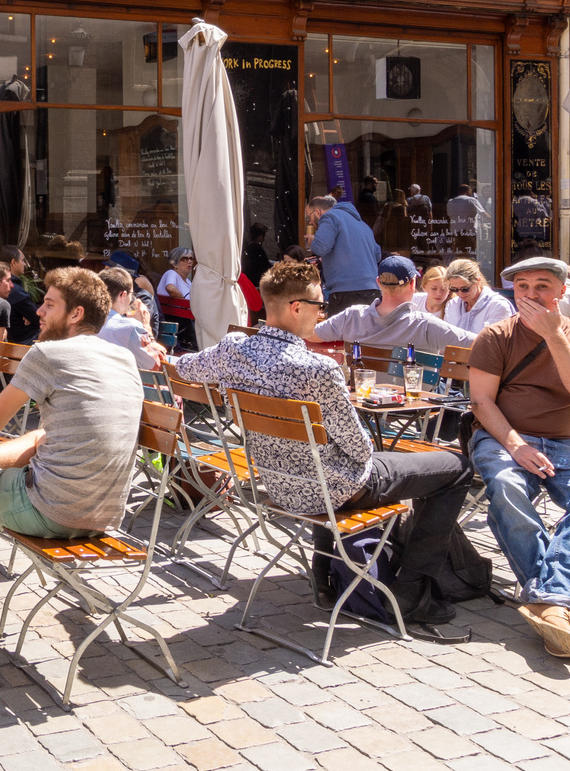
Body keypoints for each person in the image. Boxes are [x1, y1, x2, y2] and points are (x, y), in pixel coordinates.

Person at [176, 261, 479, 626]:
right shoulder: (316, 369)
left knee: (330, 459)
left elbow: (185, 367)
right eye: (320, 305)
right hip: (336, 488)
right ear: (297, 308)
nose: (324, 313)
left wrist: (155, 352)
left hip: (277, 485)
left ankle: (326, 572)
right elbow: (361, 450)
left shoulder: (234, 349)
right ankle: (412, 590)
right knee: (458, 469)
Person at [0, 268, 143, 633]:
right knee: (41, 434)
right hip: (106, 512)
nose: (38, 311)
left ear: (75, 314)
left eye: (49, 303)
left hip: (56, 511)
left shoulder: (47, 353)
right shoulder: (123, 358)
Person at [467, 256, 570, 659]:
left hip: (565, 442)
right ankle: (559, 604)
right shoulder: (496, 335)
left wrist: (554, 337)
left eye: (542, 286)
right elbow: (480, 401)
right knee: (508, 488)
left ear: (562, 292)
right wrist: (517, 445)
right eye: (523, 287)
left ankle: (549, 600)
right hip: (503, 439)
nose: (531, 294)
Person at [312, 255, 475, 354]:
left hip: (364, 406)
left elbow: (309, 334)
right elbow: (476, 342)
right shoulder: (425, 325)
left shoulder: (351, 317)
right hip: (416, 408)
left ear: (378, 282)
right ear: (413, 284)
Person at [306, 194, 382, 311]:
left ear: (318, 212)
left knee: (339, 329)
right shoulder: (363, 225)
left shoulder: (329, 217)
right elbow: (377, 255)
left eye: (309, 217)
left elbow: (321, 247)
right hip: (372, 290)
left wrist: (313, 241)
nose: (310, 222)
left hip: (346, 292)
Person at [97, 266, 168, 370]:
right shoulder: (131, 327)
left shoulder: (82, 322)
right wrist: (147, 328)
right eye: (132, 294)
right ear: (123, 295)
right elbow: (157, 365)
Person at [443, 258, 514, 333]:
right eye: (454, 289)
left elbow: (493, 342)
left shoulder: (497, 306)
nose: (460, 294)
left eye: (465, 289)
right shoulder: (452, 304)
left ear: (478, 281)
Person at [0, 245, 42, 344]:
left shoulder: (0, 286)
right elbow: (38, 318)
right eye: (22, 260)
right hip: (27, 340)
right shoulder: (14, 290)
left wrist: (28, 313)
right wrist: (30, 313)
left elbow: (33, 313)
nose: (25, 264)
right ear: (13, 262)